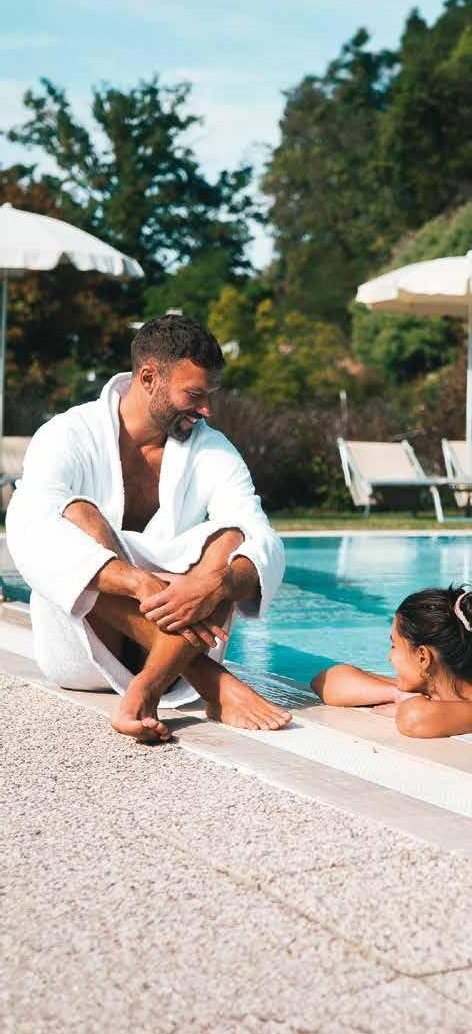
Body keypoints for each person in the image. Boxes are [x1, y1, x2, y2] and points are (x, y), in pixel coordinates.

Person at [6, 315, 291, 744]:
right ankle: (210, 681)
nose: (206, 409)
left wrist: (217, 583)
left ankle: (147, 687)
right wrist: (137, 582)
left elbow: (260, 535)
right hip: (85, 650)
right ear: (148, 378)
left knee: (233, 537)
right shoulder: (68, 434)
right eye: (194, 395)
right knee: (78, 513)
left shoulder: (211, 448)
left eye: (210, 395)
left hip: (173, 642)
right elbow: (28, 527)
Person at [311, 585, 472, 739]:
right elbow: (326, 681)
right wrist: (398, 695)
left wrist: (408, 705)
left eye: (394, 645)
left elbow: (414, 719)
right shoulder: (435, 688)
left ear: (422, 657)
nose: (390, 657)